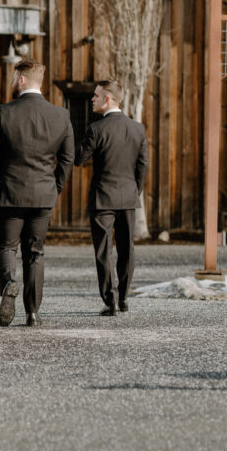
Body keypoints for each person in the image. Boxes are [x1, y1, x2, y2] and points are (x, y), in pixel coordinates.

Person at [0, 57, 75, 328]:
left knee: (5, 246)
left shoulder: (3, 112)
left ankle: (9, 282)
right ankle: (32, 313)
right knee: (35, 252)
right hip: (44, 193)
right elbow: (67, 158)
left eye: (14, 77)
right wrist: (55, 187)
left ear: (22, 79)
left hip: (9, 192)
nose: (13, 81)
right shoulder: (61, 115)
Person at [74, 79, 149, 316]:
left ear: (107, 99)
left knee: (104, 250)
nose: (92, 99)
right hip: (128, 196)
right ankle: (124, 298)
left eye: (96, 95)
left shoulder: (96, 129)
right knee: (127, 249)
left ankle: (111, 301)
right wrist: (135, 190)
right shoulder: (137, 129)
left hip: (102, 198)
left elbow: (79, 159)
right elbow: (143, 166)